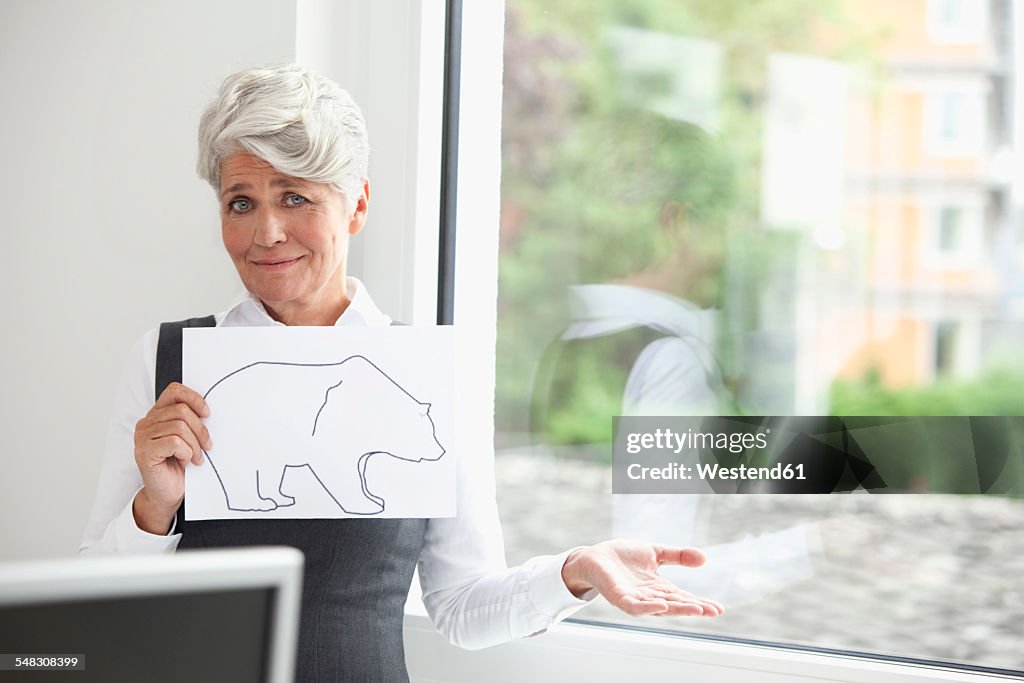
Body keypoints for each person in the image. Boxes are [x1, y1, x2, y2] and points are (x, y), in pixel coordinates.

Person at [79, 64, 723, 683]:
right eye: (240, 202)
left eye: (295, 197)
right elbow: (91, 610)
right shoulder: (167, 362)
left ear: (356, 205)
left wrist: (578, 570)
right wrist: (153, 508)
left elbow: (464, 605)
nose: (266, 232)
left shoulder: (422, 376)